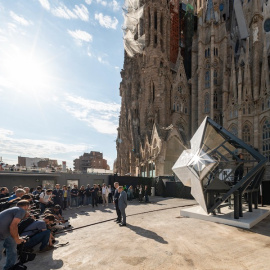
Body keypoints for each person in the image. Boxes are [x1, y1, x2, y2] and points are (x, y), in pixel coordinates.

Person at [0, 200, 29, 270]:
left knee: (12, 248)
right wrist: (17, 239)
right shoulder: (21, 210)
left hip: (6, 233)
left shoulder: (13, 209)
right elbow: (13, 226)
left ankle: (9, 268)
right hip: (1, 235)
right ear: (26, 206)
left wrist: (18, 238)